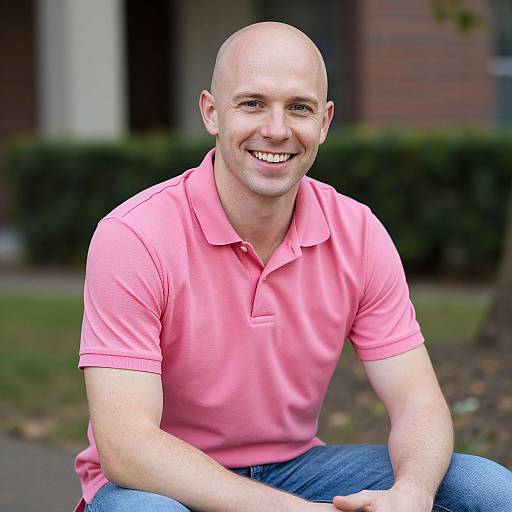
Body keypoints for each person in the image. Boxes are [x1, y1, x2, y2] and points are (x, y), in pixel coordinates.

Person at [73, 21, 512, 512]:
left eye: (298, 108)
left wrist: (411, 494)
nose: (277, 129)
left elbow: (418, 403)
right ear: (211, 113)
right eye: (253, 103)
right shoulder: (135, 236)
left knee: (489, 489)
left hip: (297, 470)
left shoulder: (358, 233)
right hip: (162, 483)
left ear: (324, 123)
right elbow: (126, 445)